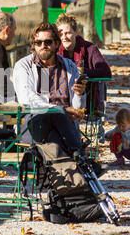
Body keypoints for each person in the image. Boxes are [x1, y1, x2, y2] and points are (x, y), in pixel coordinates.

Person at [13, 22, 87, 154]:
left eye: (47, 42)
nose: (43, 46)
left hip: (66, 126)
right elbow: (27, 98)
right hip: (34, 123)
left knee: (56, 130)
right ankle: (79, 156)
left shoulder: (69, 67)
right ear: (33, 45)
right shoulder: (23, 66)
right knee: (56, 115)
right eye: (38, 42)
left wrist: (80, 94)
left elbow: (77, 108)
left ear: (57, 44)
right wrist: (61, 110)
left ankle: (73, 159)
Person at [55, 13, 111, 118]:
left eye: (68, 33)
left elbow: (106, 72)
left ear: (76, 32)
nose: (64, 37)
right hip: (61, 101)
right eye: (61, 34)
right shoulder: (55, 50)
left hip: (88, 101)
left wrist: (80, 73)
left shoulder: (90, 48)